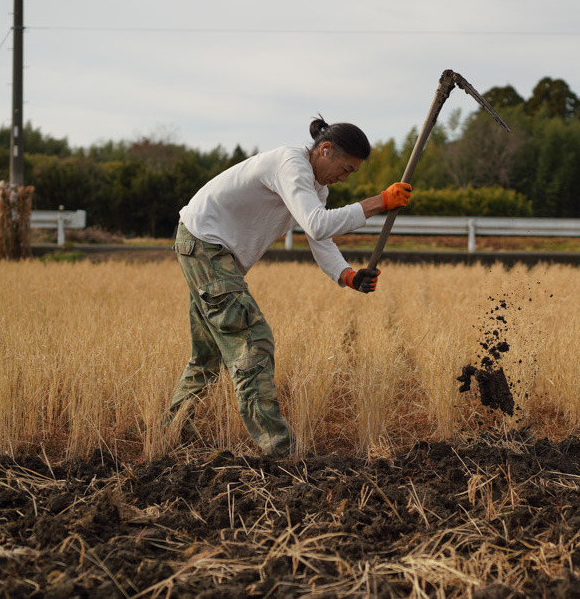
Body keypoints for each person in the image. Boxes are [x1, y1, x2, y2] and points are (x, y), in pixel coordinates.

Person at [165, 116, 412, 456]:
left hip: (205, 248)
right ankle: (278, 448)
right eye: (345, 169)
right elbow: (318, 223)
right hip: (205, 245)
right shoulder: (290, 164)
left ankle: (171, 429)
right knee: (254, 340)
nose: (343, 178)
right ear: (324, 150)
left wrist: (347, 275)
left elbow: (317, 235)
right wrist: (377, 203)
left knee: (208, 355)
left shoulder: (314, 186)